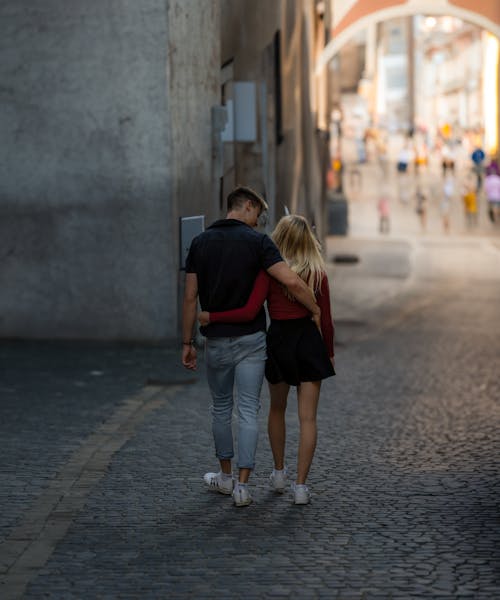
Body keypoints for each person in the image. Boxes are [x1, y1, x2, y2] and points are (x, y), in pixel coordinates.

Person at [182, 187, 321, 507]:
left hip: (216, 339)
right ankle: (243, 487)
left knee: (220, 408)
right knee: (248, 410)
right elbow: (292, 281)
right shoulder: (259, 244)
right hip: (252, 342)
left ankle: (226, 476)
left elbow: (189, 296)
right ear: (246, 206)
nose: (258, 222)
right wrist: (314, 309)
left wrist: (187, 341)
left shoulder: (200, 242)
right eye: (257, 214)